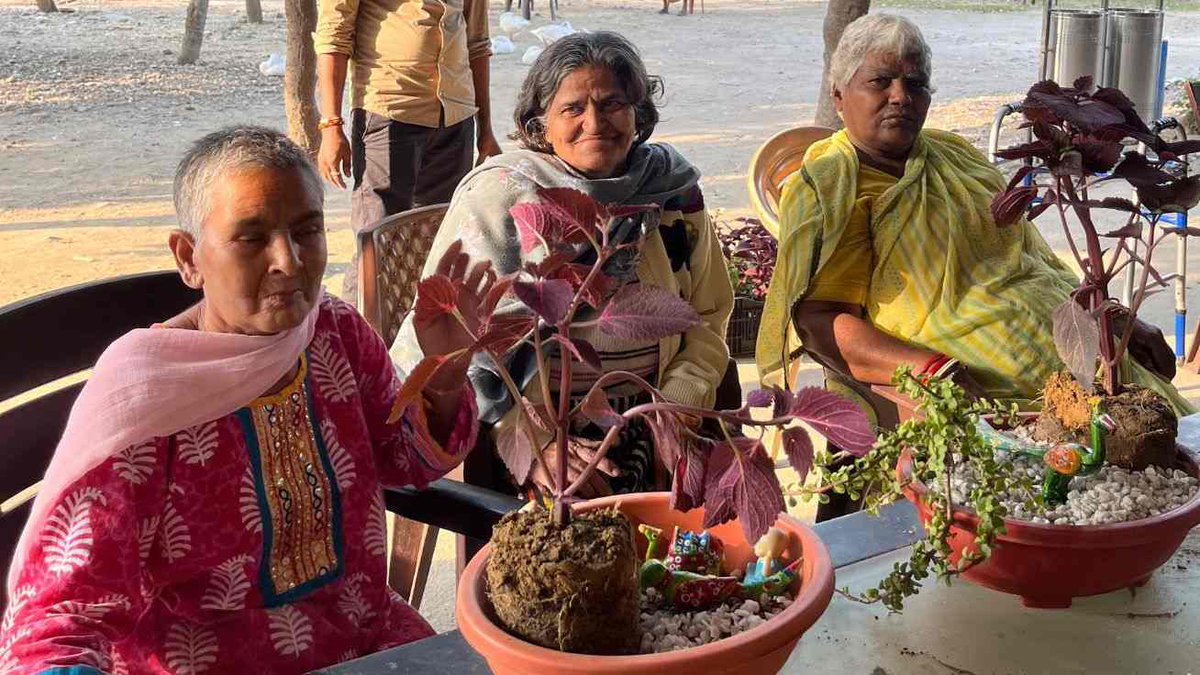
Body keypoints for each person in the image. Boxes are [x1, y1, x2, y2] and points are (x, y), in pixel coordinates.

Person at [0, 127, 492, 673]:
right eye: (252, 238)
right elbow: (58, 624)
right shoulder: (146, 398)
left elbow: (403, 461)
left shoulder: (334, 332)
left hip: (368, 640)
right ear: (189, 258)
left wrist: (444, 375)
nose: (289, 260)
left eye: (307, 230)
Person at [756, 14, 1189, 491]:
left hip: (1093, 358)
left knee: (1161, 467)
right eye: (880, 81)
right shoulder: (835, 187)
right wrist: (931, 369)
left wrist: (1113, 316)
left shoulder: (953, 156)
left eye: (915, 84)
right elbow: (819, 322)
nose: (900, 96)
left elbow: (1035, 260)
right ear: (839, 96)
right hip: (999, 400)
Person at [391, 32, 734, 498]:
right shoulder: (504, 196)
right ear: (540, 127)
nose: (595, 122)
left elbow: (710, 314)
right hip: (535, 426)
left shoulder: (671, 190)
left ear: (638, 114)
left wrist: (676, 407)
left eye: (612, 103)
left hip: (658, 416)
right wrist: (533, 440)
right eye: (572, 109)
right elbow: (454, 346)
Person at [314, 0, 501, 299]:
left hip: (455, 116)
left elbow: (477, 43)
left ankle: (414, 338)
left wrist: (486, 131)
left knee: (437, 239)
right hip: (390, 110)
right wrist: (331, 125)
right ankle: (355, 336)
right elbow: (333, 35)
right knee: (377, 242)